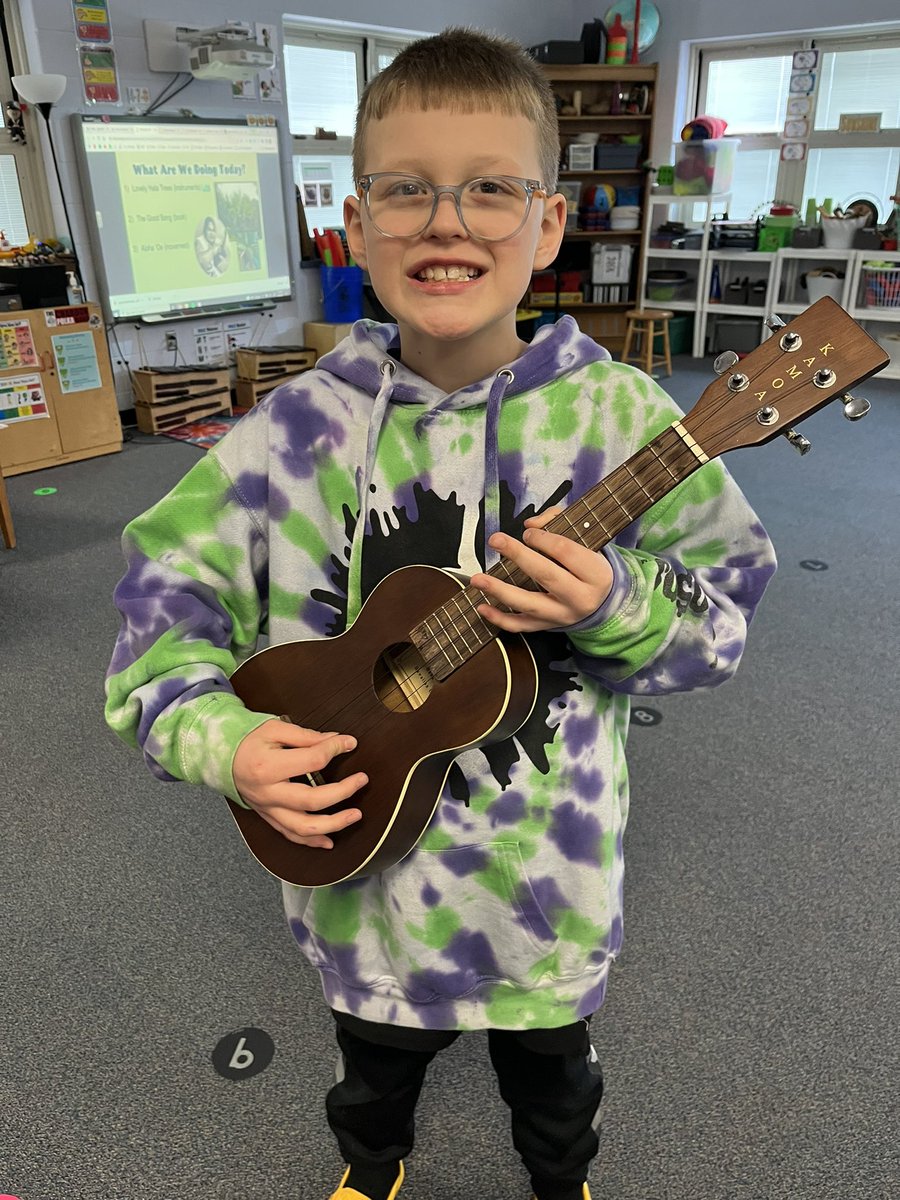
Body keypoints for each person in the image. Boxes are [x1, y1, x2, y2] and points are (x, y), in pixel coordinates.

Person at [105, 27, 777, 1200]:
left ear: (549, 226)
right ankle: (375, 1170)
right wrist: (227, 742)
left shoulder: (629, 426)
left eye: (491, 190)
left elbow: (720, 626)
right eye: (404, 190)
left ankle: (557, 1182)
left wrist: (619, 601)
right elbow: (156, 624)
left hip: (546, 902)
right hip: (358, 884)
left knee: (555, 1091)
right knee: (370, 1077)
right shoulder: (288, 434)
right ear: (356, 225)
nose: (446, 222)